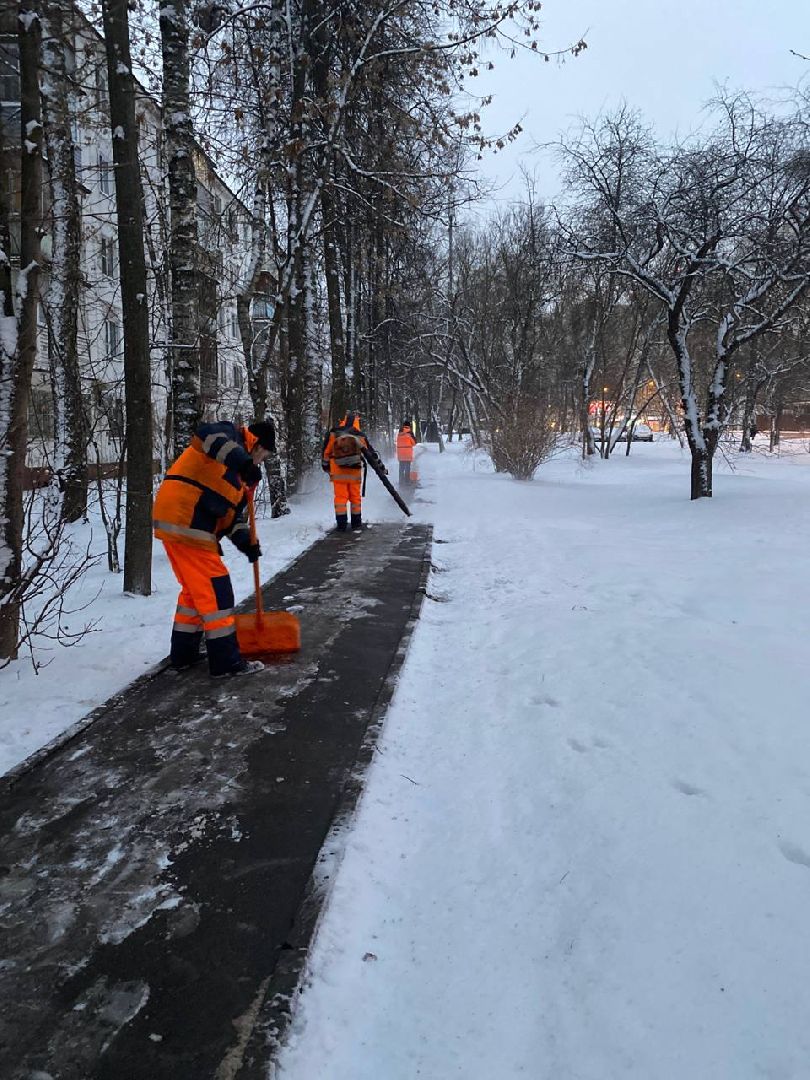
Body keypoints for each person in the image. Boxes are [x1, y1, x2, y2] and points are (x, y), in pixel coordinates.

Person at [153, 419, 276, 677]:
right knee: (217, 591)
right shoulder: (228, 434)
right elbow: (207, 436)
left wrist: (247, 543)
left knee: (194, 593)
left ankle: (184, 655)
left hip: (180, 523)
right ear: (257, 444)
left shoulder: (239, 479)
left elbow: (231, 519)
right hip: (186, 518)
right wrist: (243, 462)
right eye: (263, 455)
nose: (261, 461)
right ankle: (226, 663)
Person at [321, 411, 385, 531]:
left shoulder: (334, 433)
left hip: (338, 472)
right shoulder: (359, 435)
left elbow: (326, 452)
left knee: (340, 498)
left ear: (343, 420)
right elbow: (371, 454)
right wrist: (382, 468)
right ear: (357, 422)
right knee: (355, 498)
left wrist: (326, 467)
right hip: (354, 473)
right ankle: (356, 523)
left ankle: (341, 525)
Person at [395, 420, 417, 485]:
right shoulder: (410, 433)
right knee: (407, 467)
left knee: (401, 468)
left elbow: (398, 442)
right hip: (407, 453)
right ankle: (407, 481)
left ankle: (401, 481)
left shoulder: (400, 432)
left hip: (400, 453)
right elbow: (414, 443)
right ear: (409, 426)